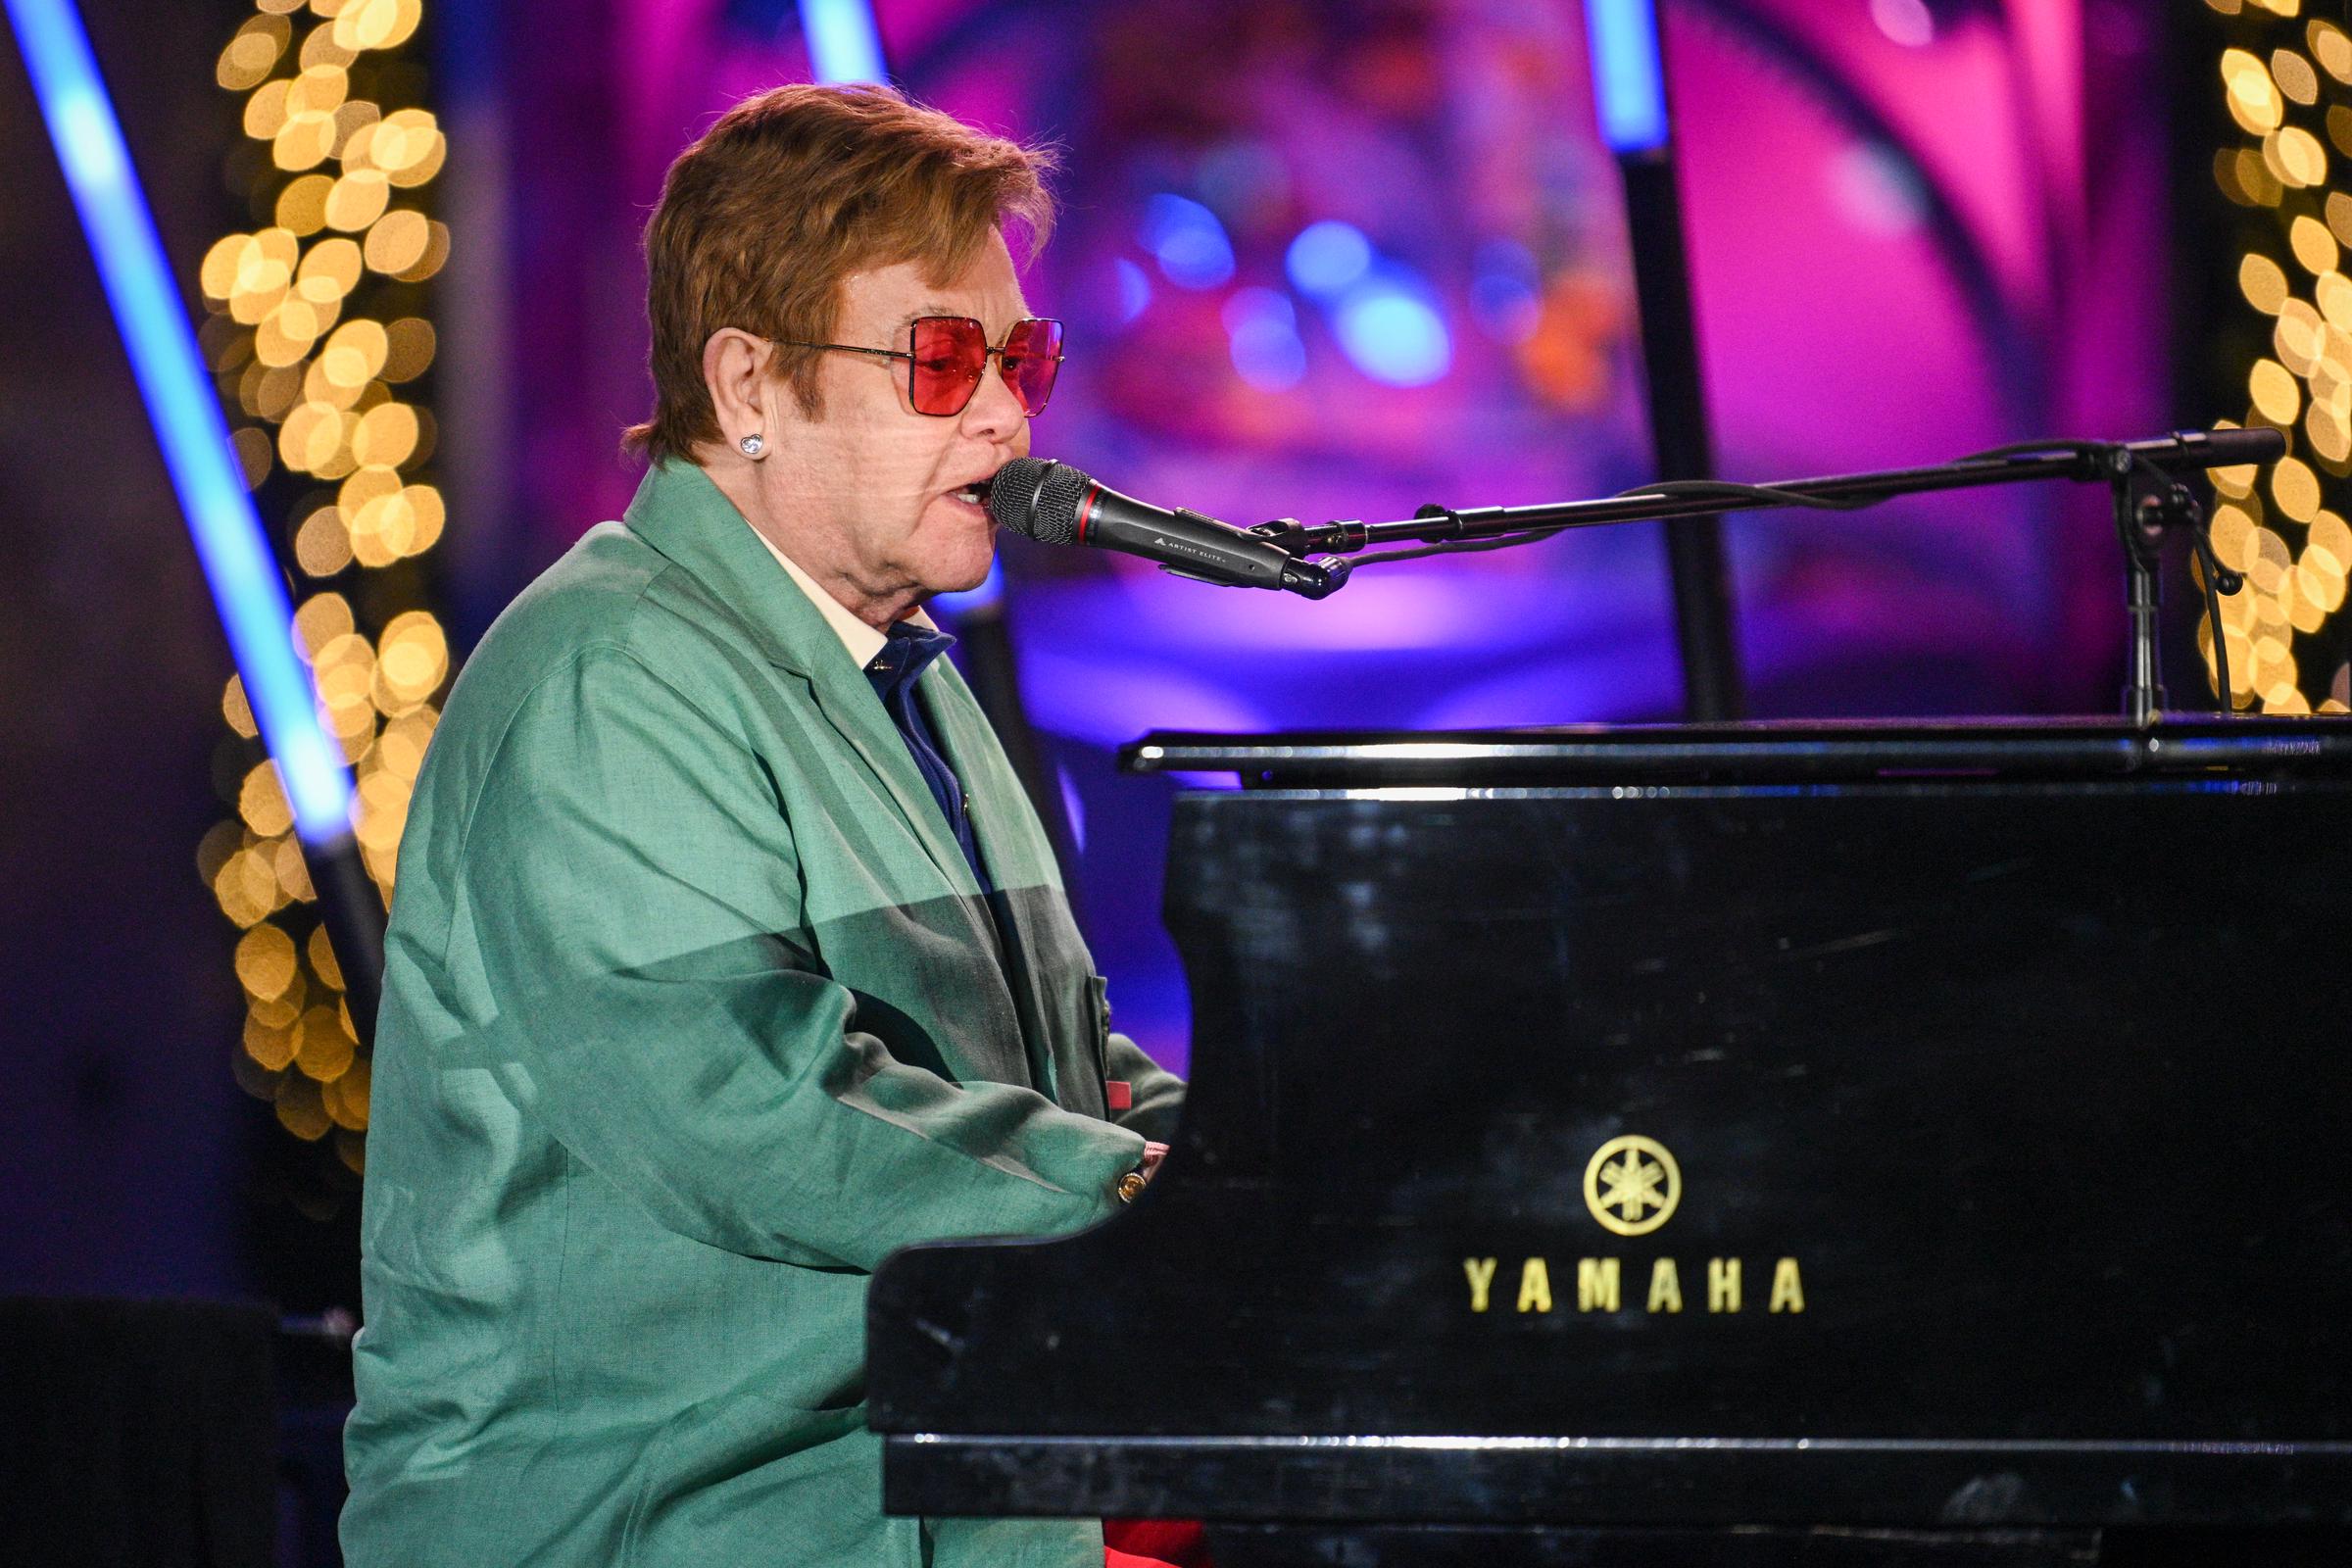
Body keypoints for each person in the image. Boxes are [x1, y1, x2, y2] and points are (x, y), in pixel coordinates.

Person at [341, 83, 1185, 1567]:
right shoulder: (611, 676)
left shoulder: (900, 668)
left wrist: (1281, 1170)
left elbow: (1044, 1059)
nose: (1008, 410)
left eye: (1024, 356)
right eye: (941, 358)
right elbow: (758, 1111)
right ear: (746, 387)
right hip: (671, 1531)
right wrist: (1144, 1200)